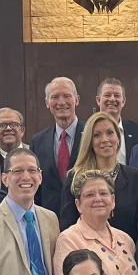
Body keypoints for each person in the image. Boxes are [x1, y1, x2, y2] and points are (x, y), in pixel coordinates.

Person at [59, 112, 138, 241]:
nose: (105, 139)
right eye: (97, 135)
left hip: (127, 255)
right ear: (89, 141)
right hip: (85, 255)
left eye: (110, 133)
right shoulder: (74, 178)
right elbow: (67, 227)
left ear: (118, 138)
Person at [31, 77, 85, 215]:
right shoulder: (38, 141)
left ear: (77, 100)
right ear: (47, 103)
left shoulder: (91, 135)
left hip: (84, 217)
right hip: (49, 219)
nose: (61, 102)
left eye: (67, 96)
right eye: (55, 97)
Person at [96, 78, 138, 165]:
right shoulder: (87, 131)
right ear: (98, 100)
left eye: (117, 95)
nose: (112, 99)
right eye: (107, 95)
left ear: (123, 101)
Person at [0, 107, 27, 192]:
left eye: (14, 124)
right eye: (2, 125)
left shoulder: (35, 153)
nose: (8, 128)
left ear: (22, 131)